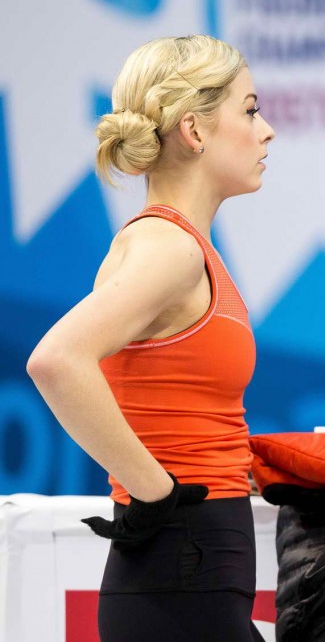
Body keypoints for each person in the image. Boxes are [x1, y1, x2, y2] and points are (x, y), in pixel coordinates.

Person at [27, 35, 274, 640]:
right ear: (193, 130)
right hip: (183, 566)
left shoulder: (174, 247)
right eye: (249, 109)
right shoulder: (170, 250)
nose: (266, 130)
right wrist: (157, 494)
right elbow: (57, 360)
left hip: (190, 568)